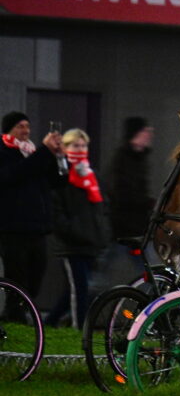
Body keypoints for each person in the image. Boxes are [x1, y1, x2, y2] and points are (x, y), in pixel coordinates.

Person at [0, 111, 64, 319]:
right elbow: (15, 175)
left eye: (27, 126)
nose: (26, 131)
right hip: (12, 228)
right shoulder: (4, 151)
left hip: (37, 228)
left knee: (36, 275)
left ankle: (20, 313)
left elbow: (56, 182)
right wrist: (44, 151)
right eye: (20, 126)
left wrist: (58, 157)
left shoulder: (33, 152)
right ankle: (15, 316)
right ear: (9, 129)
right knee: (17, 276)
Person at [45, 129, 110, 328]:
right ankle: (79, 328)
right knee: (79, 288)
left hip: (91, 242)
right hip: (72, 244)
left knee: (78, 289)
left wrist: (101, 234)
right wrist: (73, 231)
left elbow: (101, 207)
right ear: (65, 148)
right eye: (75, 145)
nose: (80, 149)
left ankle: (50, 322)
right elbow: (57, 212)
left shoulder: (92, 174)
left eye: (83, 145)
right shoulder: (61, 175)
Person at [100, 116, 155, 287]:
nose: (149, 134)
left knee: (150, 273)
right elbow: (122, 193)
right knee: (98, 276)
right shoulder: (123, 160)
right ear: (136, 134)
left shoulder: (139, 158)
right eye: (145, 131)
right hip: (123, 229)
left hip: (135, 228)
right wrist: (148, 203)